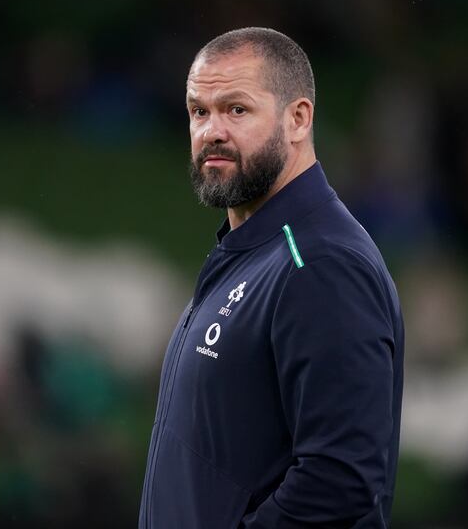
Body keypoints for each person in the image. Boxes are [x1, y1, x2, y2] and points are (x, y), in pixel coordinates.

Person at [139, 27, 404, 529]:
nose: (212, 131)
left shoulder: (321, 264)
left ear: (298, 119)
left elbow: (341, 479)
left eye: (236, 110)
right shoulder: (255, 254)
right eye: (200, 111)